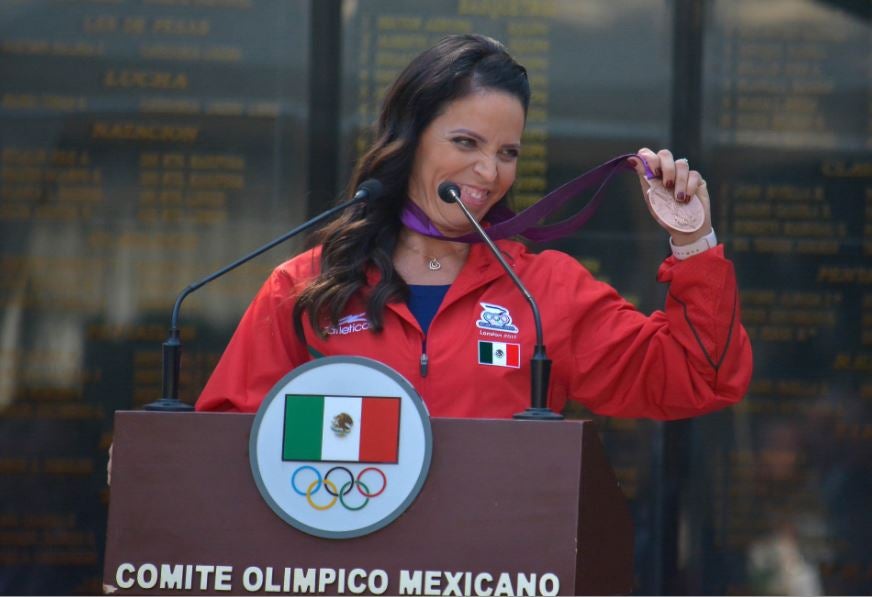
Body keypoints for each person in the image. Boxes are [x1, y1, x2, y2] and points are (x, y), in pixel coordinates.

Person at [196, 34, 752, 419]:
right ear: (408, 139)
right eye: (465, 143)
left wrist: (693, 242)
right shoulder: (305, 287)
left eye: (507, 152)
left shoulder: (545, 292)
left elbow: (697, 378)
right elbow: (226, 442)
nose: (488, 173)